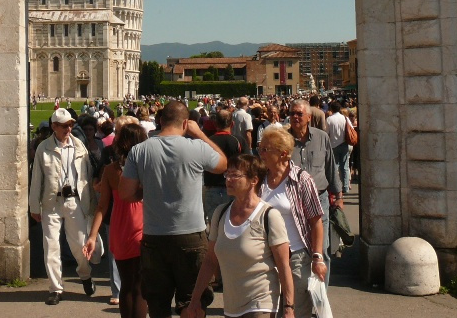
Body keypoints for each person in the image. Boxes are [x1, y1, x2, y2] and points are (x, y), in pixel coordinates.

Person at [119, 100, 228, 318]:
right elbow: (223, 163)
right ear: (186, 123)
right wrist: (201, 136)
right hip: (190, 233)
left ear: (160, 120)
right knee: (192, 302)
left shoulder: (139, 150)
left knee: (157, 302)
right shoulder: (196, 147)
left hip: (154, 234)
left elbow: (125, 193)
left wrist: (147, 192)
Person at [182, 154, 294, 318]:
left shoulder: (269, 215)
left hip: (261, 304)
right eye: (227, 174)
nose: (228, 179)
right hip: (231, 307)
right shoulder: (220, 214)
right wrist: (195, 300)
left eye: (235, 175)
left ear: (253, 180)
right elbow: (210, 261)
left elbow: (284, 265)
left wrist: (289, 307)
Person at [30, 107, 97, 305]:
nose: (69, 129)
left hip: (74, 200)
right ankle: (56, 288)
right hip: (52, 201)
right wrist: (34, 206)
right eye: (64, 126)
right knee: (51, 246)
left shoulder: (79, 146)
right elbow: (36, 179)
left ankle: (85, 275)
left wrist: (91, 204)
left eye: (70, 125)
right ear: (54, 127)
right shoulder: (44, 148)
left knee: (79, 244)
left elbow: (87, 176)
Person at [257, 127, 326, 318]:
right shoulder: (259, 180)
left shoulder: (302, 180)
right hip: (265, 257)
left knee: (295, 311)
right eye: (260, 148)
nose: (260, 153)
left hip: (295, 257)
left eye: (265, 149)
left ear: (283, 154)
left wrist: (317, 257)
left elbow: (316, 222)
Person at [84, 121, 148, 318]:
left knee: (127, 285)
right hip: (144, 226)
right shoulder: (148, 168)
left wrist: (93, 236)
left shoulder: (111, 170)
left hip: (119, 228)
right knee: (141, 287)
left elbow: (102, 206)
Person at [286, 99, 342, 285]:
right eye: (292, 113)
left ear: (309, 117)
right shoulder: (283, 139)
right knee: (294, 250)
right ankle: (298, 297)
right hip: (292, 201)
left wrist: (339, 196)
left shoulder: (321, 137)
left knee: (322, 250)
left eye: (299, 114)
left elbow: (330, 167)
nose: (295, 117)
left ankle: (320, 300)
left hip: (320, 199)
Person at [202, 109, 243, 225]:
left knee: (214, 227)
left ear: (215, 124)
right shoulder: (238, 141)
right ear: (232, 124)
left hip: (212, 188)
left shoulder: (208, 142)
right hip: (234, 187)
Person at [325, 101, 351, 195]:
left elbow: (326, 133)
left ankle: (336, 187)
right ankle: (346, 187)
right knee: (345, 167)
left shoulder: (329, 119)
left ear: (331, 109)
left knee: (334, 167)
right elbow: (351, 129)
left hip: (333, 145)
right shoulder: (345, 118)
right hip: (344, 143)